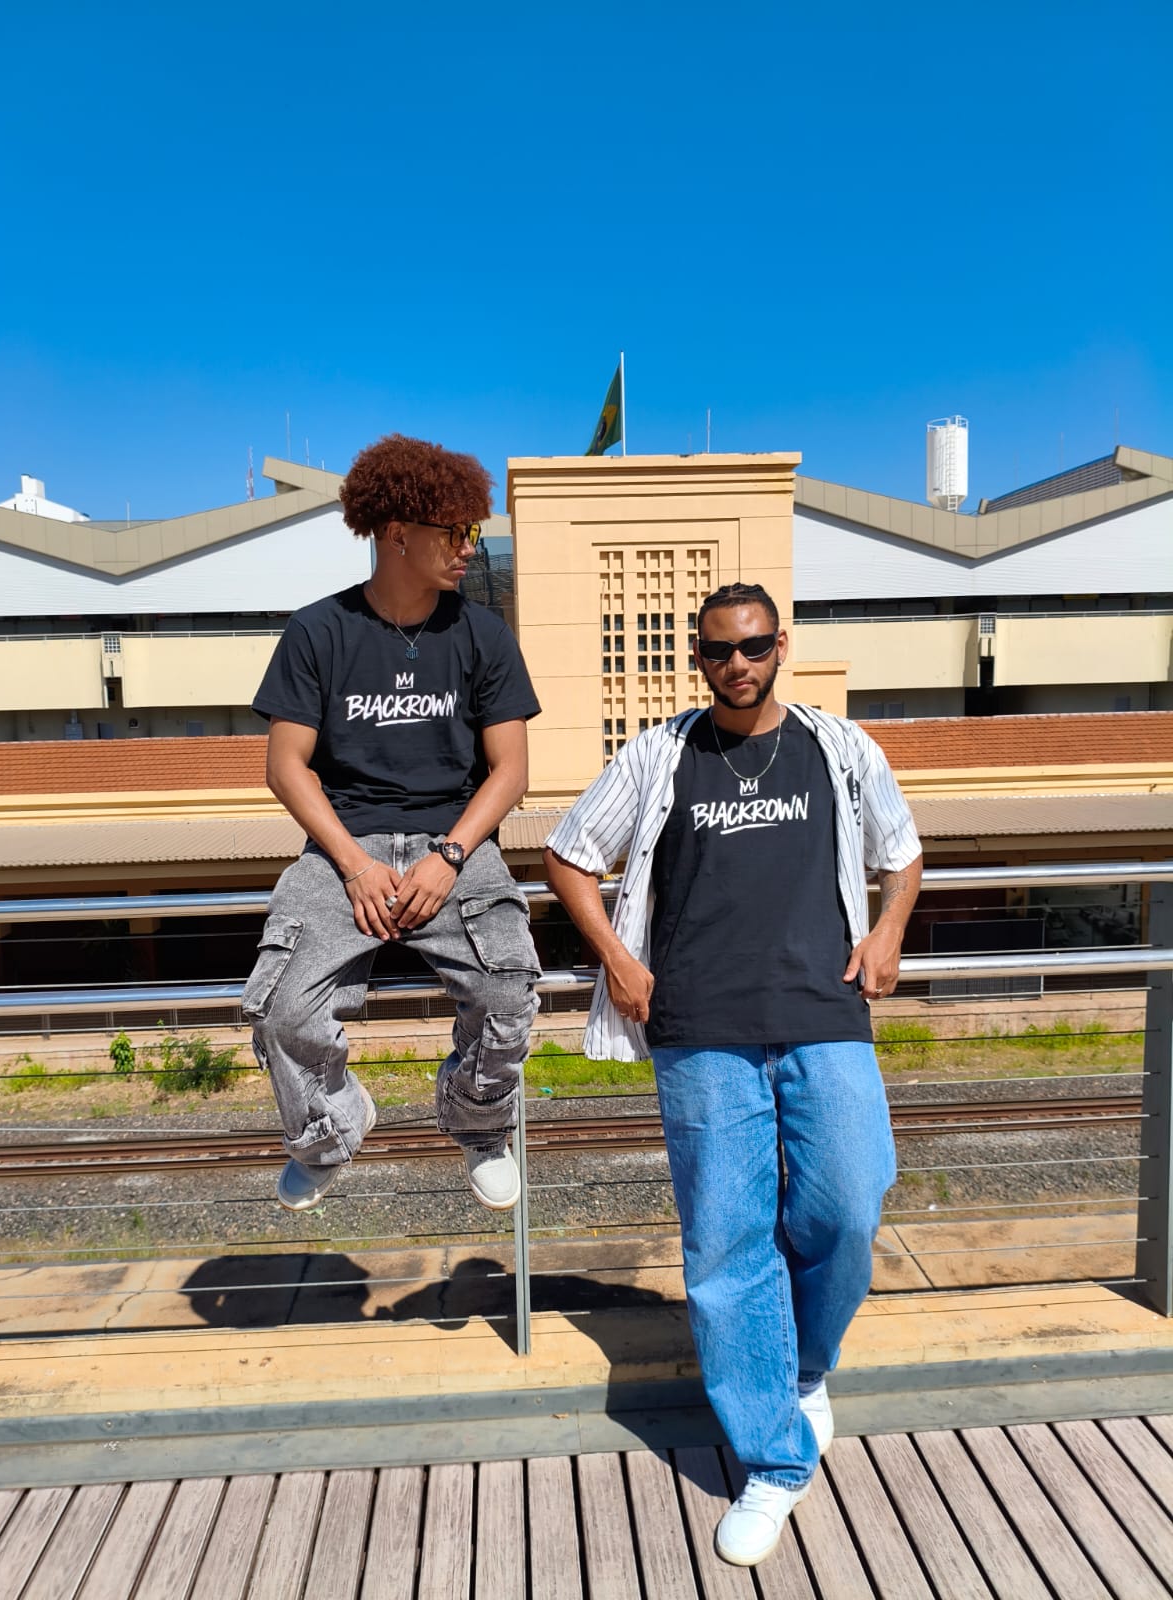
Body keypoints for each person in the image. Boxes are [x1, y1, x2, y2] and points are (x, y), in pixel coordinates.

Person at [543, 581, 922, 1567]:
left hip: (825, 1010)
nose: (737, 665)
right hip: (700, 1027)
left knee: (848, 1204)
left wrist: (889, 931)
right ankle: (773, 1459)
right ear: (698, 657)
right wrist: (617, 960)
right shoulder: (660, 754)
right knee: (726, 1241)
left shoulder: (841, 747)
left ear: (780, 645)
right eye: (718, 651)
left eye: (753, 646)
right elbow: (570, 855)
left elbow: (902, 853)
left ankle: (803, 1367)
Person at [243, 434, 541, 1215]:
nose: (469, 547)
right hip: (344, 845)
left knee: (509, 991)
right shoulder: (319, 632)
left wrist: (449, 856)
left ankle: (478, 1125)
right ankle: (332, 1129)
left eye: (473, 530)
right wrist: (352, 864)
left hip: (457, 841)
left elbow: (511, 771)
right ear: (398, 533)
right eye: (455, 531)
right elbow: (286, 767)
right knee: (280, 1007)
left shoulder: (483, 635)